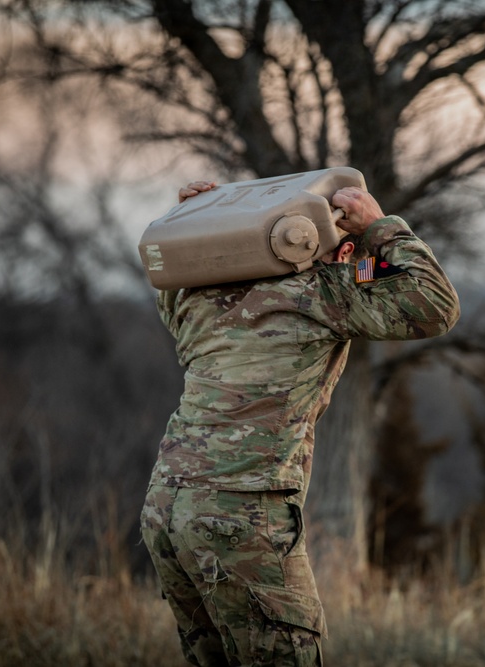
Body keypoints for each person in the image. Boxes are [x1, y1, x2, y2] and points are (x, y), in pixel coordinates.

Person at [139, 178, 460, 666]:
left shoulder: (198, 296)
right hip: (241, 515)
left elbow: (174, 279)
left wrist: (202, 221)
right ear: (338, 245)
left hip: (167, 510)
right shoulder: (322, 293)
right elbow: (435, 305)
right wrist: (381, 227)